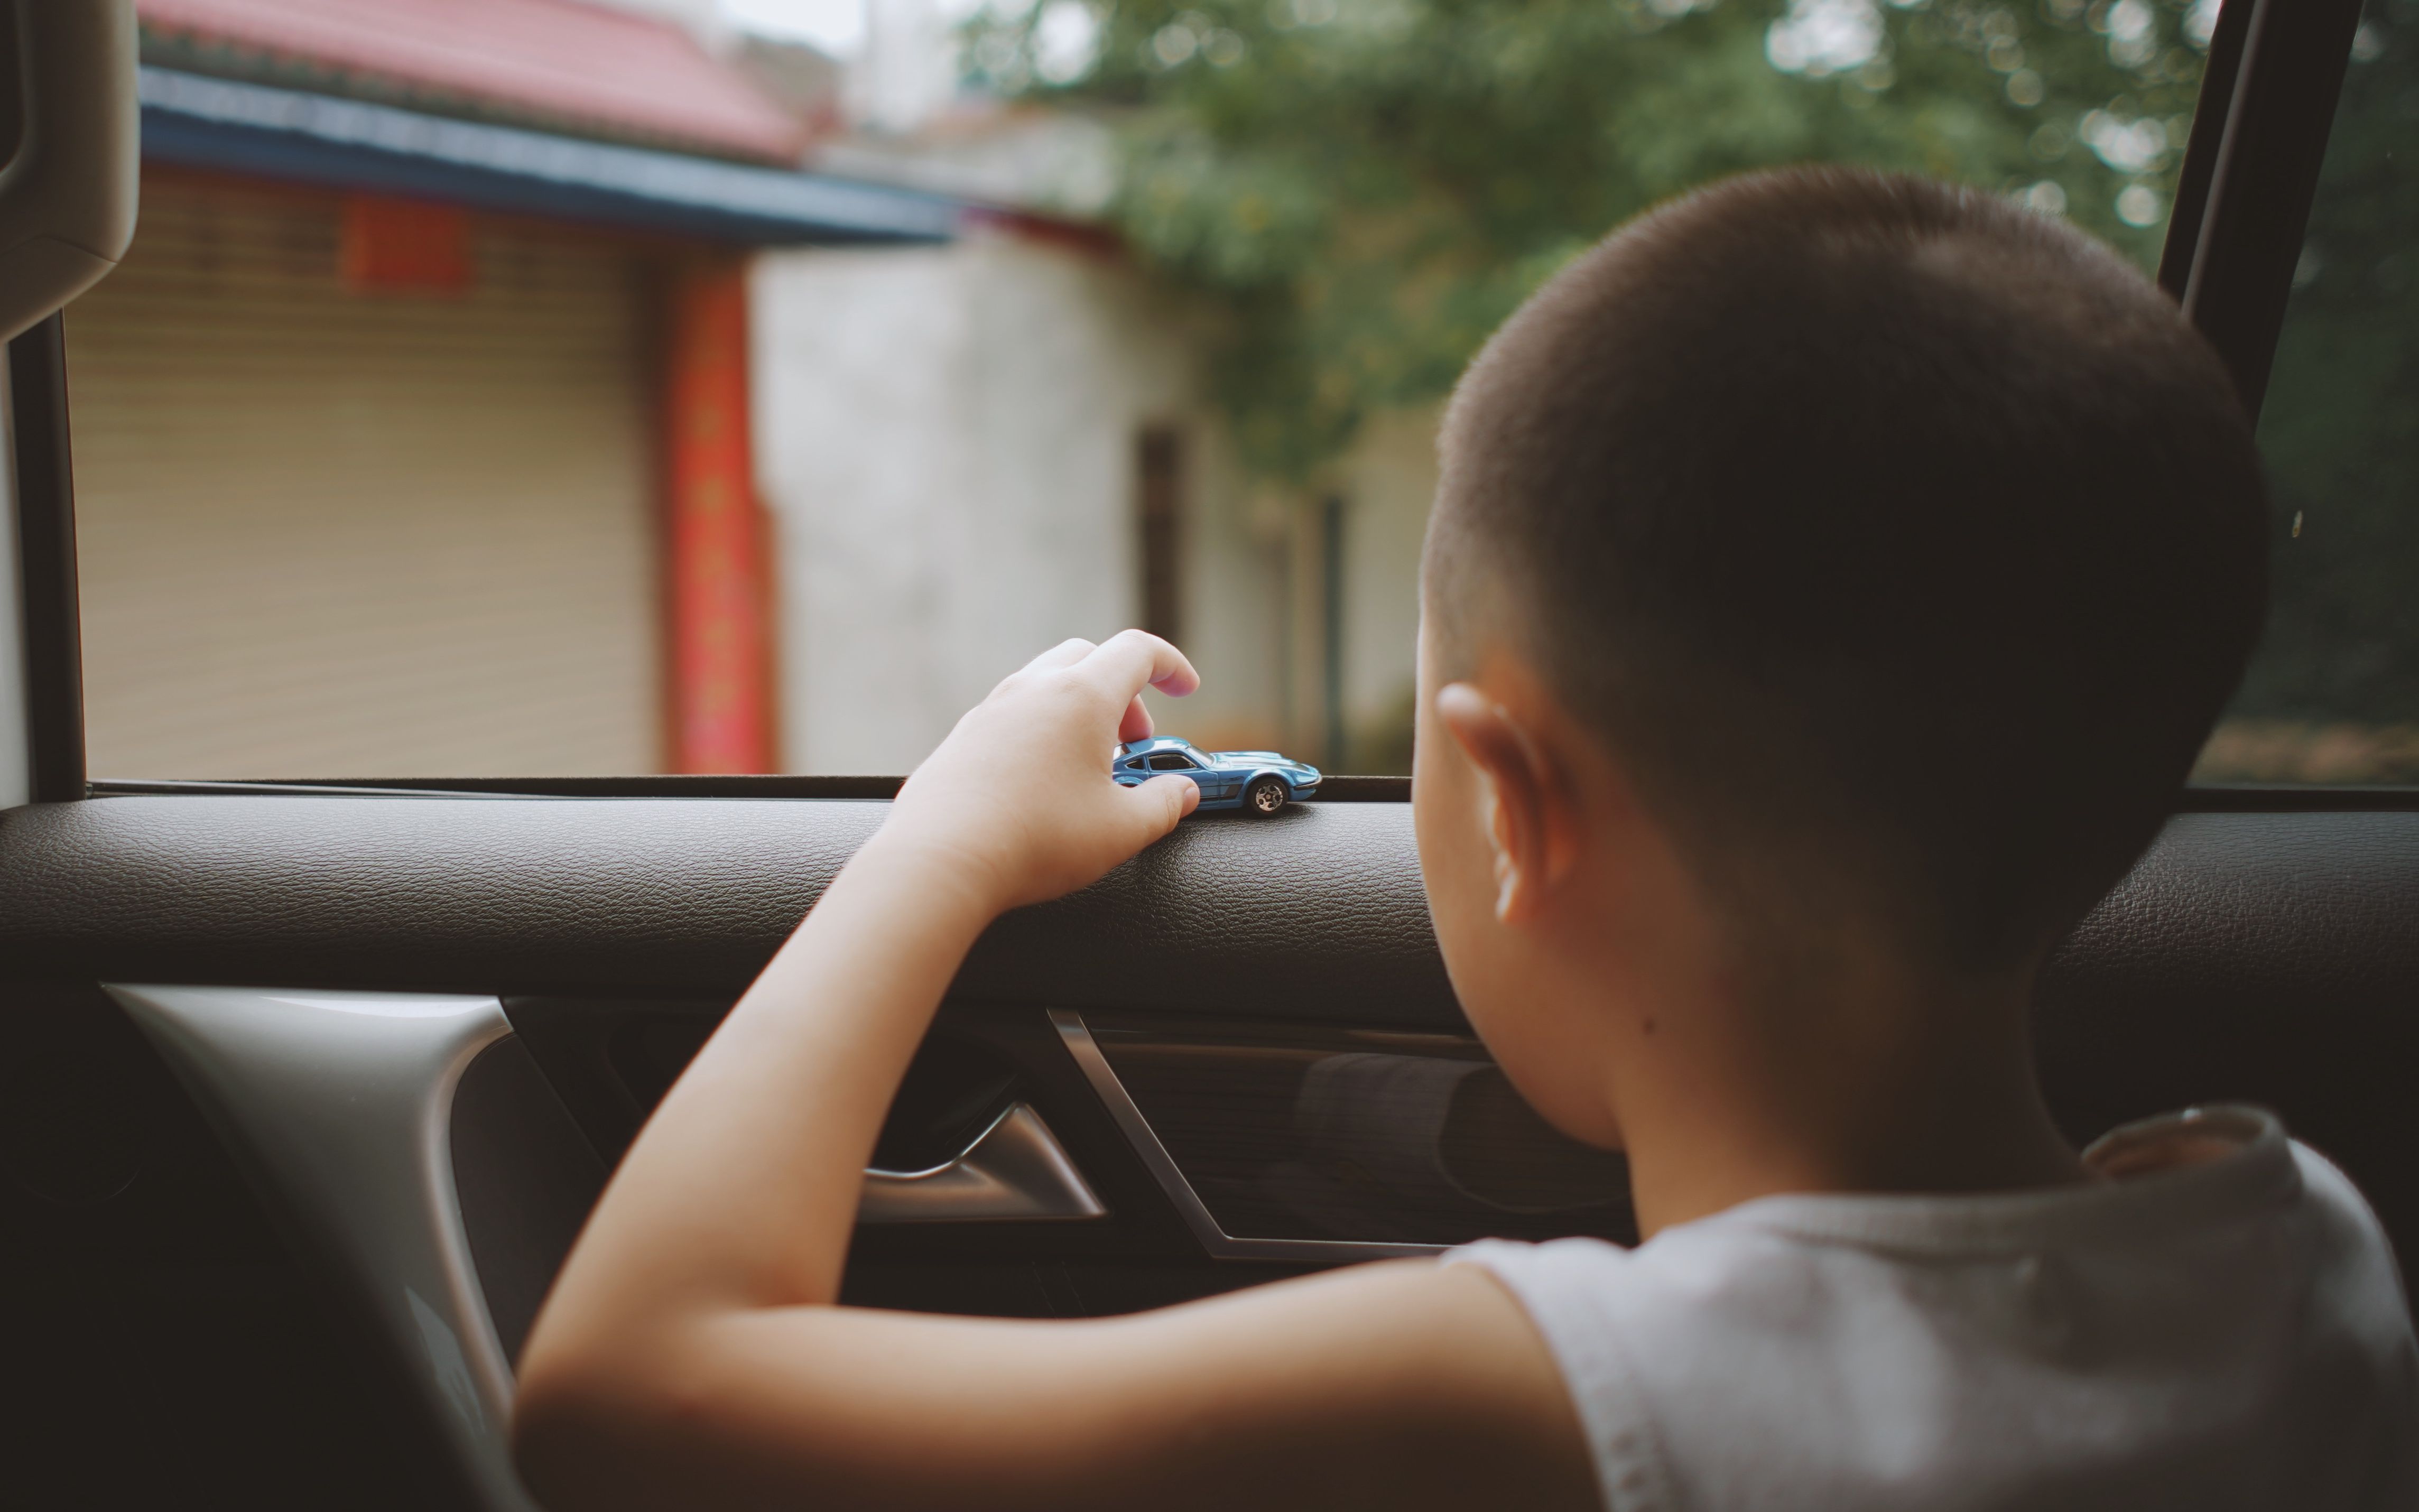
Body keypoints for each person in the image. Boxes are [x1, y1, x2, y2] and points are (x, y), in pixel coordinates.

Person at [510, 168, 2418, 1510]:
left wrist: (938, 846)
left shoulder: (1541, 1401)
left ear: (1509, 801)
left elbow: (624, 1398)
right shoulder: (2297, 1253)